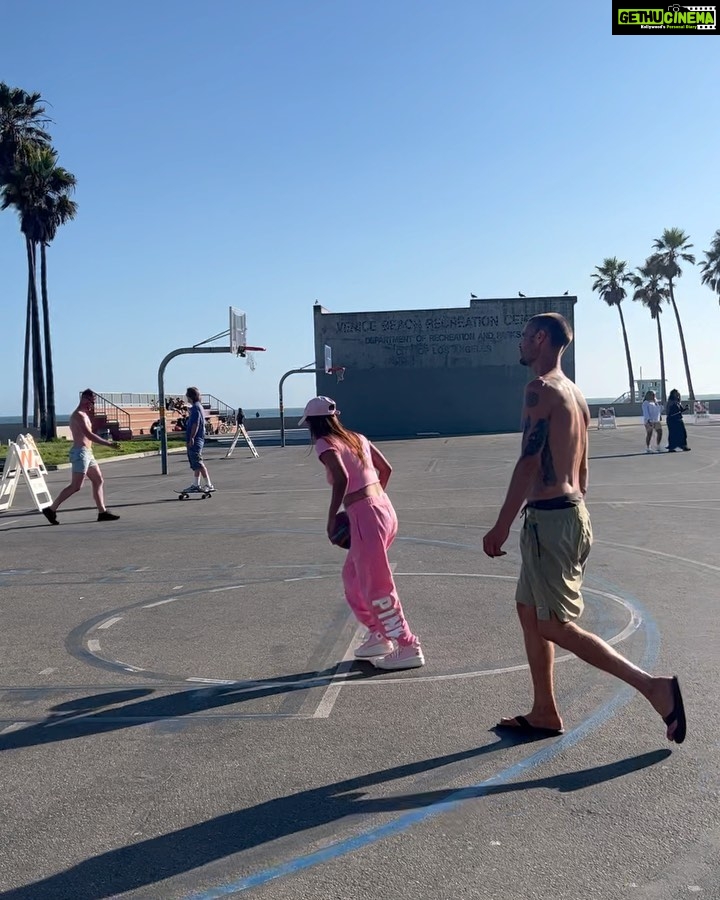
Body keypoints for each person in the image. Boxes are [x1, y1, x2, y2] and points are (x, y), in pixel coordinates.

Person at [482, 313, 686, 743]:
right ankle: (544, 711)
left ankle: (655, 689)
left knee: (554, 625)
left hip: (551, 520)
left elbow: (529, 459)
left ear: (540, 339)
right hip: (567, 514)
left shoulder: (540, 390)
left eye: (524, 338)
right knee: (528, 611)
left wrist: (500, 526)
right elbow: (585, 471)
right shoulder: (576, 395)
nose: (520, 345)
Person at [300, 396, 424, 670]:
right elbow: (385, 469)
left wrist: (333, 517)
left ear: (313, 423)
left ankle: (407, 645)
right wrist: (374, 503)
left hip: (367, 515)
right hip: (382, 509)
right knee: (353, 576)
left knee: (377, 584)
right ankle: (379, 633)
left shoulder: (325, 442)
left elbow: (342, 477)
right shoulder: (357, 437)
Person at [42, 389, 121, 525]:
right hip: (80, 453)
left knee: (98, 480)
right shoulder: (78, 415)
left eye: (93, 402)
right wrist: (109, 444)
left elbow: (89, 435)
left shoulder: (84, 414)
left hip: (87, 453)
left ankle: (102, 512)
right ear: (84, 399)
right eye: (91, 401)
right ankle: (51, 509)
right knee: (76, 486)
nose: (92, 405)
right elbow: (88, 435)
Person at [182, 387, 215, 493]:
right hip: (197, 439)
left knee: (199, 462)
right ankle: (196, 484)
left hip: (195, 439)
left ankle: (209, 484)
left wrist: (192, 437)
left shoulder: (196, 408)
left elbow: (195, 424)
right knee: (196, 463)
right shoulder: (197, 407)